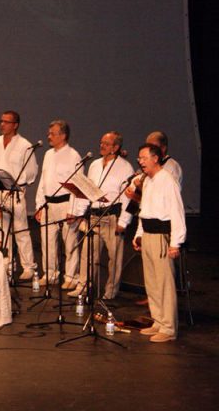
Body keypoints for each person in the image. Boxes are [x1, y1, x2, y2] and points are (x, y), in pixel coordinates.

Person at [69, 131, 134, 299]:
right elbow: (88, 190)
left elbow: (128, 197)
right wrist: (80, 213)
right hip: (94, 216)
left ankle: (111, 291)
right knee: (88, 254)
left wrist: (124, 221)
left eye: (106, 143)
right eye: (101, 142)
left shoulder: (125, 167)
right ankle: (84, 286)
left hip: (112, 216)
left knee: (114, 258)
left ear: (116, 147)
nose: (102, 146)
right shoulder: (95, 165)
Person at [133, 143, 185, 343]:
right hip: (148, 234)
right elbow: (143, 211)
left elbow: (177, 213)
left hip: (162, 236)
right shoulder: (147, 181)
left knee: (164, 283)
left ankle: (169, 327)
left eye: (144, 158)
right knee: (152, 283)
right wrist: (138, 234)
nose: (140, 161)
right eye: (139, 158)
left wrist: (175, 243)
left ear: (155, 158)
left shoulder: (167, 180)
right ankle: (158, 320)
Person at [0, 110, 38, 280]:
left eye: (6, 122)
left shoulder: (25, 145)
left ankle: (28, 266)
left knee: (21, 229)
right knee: (2, 229)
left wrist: (20, 184)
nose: (2, 124)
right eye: (1, 121)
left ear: (15, 125)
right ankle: (7, 262)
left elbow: (31, 171)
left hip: (15, 191)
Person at [34, 119, 81, 289]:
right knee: (47, 241)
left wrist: (73, 210)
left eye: (52, 134)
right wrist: (39, 205)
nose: (49, 137)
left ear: (63, 135)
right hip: (49, 204)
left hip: (65, 204)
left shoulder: (73, 155)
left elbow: (77, 185)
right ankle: (50, 273)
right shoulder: (48, 154)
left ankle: (71, 276)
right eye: (49, 133)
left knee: (69, 242)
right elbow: (43, 181)